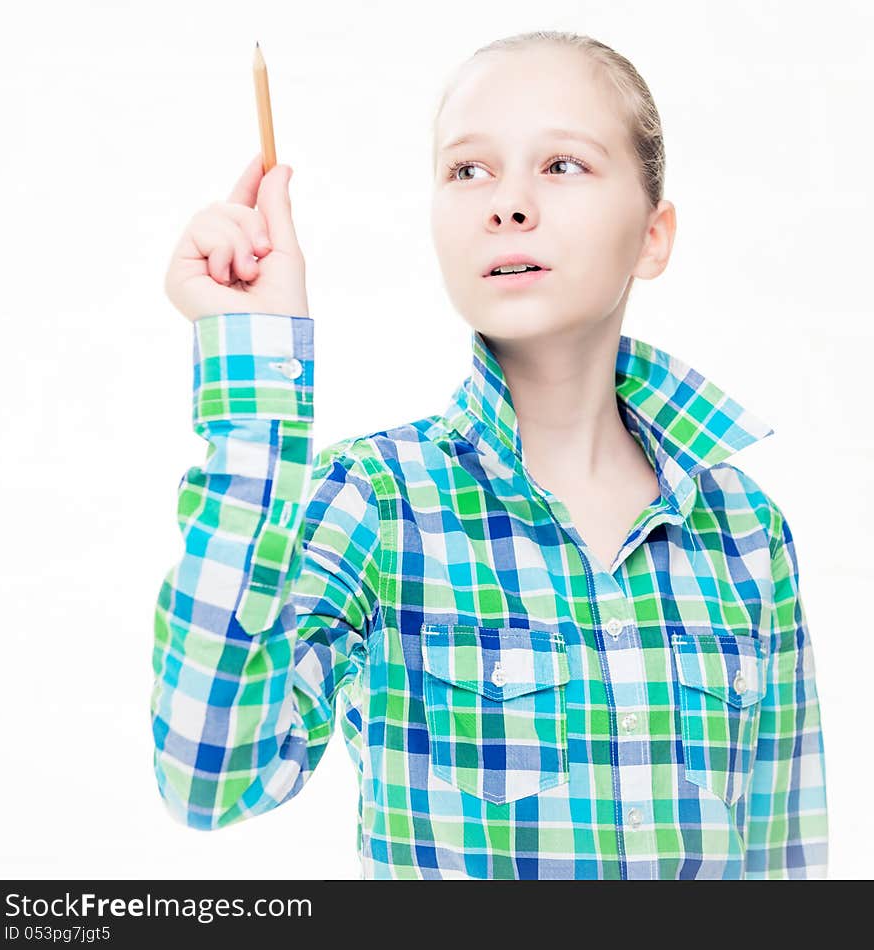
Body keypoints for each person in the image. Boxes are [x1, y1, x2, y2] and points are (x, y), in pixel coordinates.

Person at [150, 30, 828, 879]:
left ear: (654, 237)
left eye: (562, 165)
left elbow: (785, 860)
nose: (507, 204)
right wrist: (254, 362)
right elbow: (207, 780)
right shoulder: (373, 502)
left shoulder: (744, 531)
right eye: (468, 171)